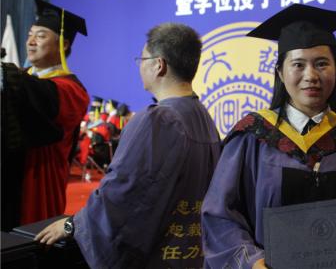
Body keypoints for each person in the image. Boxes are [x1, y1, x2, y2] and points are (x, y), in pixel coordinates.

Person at [201, 4, 336, 269]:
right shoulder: (253, 136)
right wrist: (252, 262)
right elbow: (220, 214)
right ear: (280, 73)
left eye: (322, 64)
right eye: (298, 65)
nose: (311, 76)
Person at [36, 23, 222, 269]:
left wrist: (75, 225)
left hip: (158, 258)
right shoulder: (203, 117)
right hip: (192, 256)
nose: (140, 66)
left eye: (142, 59)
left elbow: (123, 192)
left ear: (159, 65)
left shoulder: (158, 120)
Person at [1, 0, 89, 230]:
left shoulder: (71, 89)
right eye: (30, 35)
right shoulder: (21, 78)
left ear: (64, 44)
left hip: (35, 186)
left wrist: (6, 76)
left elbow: (42, 96)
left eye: (40, 36)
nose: (30, 42)